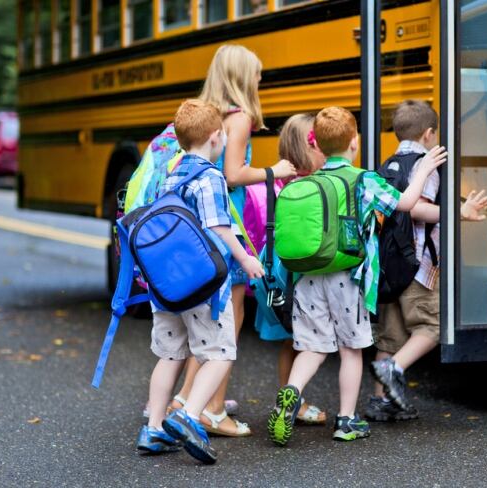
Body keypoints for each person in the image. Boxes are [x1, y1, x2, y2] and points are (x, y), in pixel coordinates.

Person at [266, 106, 447, 445]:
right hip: (347, 278)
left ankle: (291, 391)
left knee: (313, 348)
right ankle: (347, 420)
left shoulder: (309, 180)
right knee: (351, 350)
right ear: (354, 143)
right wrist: (422, 170)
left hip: (308, 278)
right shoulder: (364, 180)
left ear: (317, 145)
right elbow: (407, 203)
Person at [171, 44, 296, 437]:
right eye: (257, 74)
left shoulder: (209, 113)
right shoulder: (238, 118)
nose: (260, 81)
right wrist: (272, 170)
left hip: (200, 224)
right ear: (243, 77)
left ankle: (185, 399)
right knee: (229, 318)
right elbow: (232, 174)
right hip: (230, 219)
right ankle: (211, 410)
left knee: (208, 320)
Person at [137, 99, 264, 464]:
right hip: (203, 286)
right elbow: (217, 226)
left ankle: (155, 427)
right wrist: (245, 258)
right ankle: (189, 415)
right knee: (222, 353)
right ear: (215, 137)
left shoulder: (170, 172)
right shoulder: (210, 176)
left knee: (170, 354)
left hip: (167, 284)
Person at [366, 100, 487, 422]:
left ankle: (381, 402)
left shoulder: (389, 164)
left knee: (390, 337)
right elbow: (418, 208)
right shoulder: (427, 163)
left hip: (388, 265)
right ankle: (392, 369)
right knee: (432, 325)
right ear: (429, 133)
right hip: (417, 266)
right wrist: (458, 212)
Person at [247, 113, 327, 425]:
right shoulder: (308, 186)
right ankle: (296, 399)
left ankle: (289, 395)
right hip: (299, 271)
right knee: (304, 340)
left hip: (278, 269)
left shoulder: (282, 182)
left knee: (289, 339)